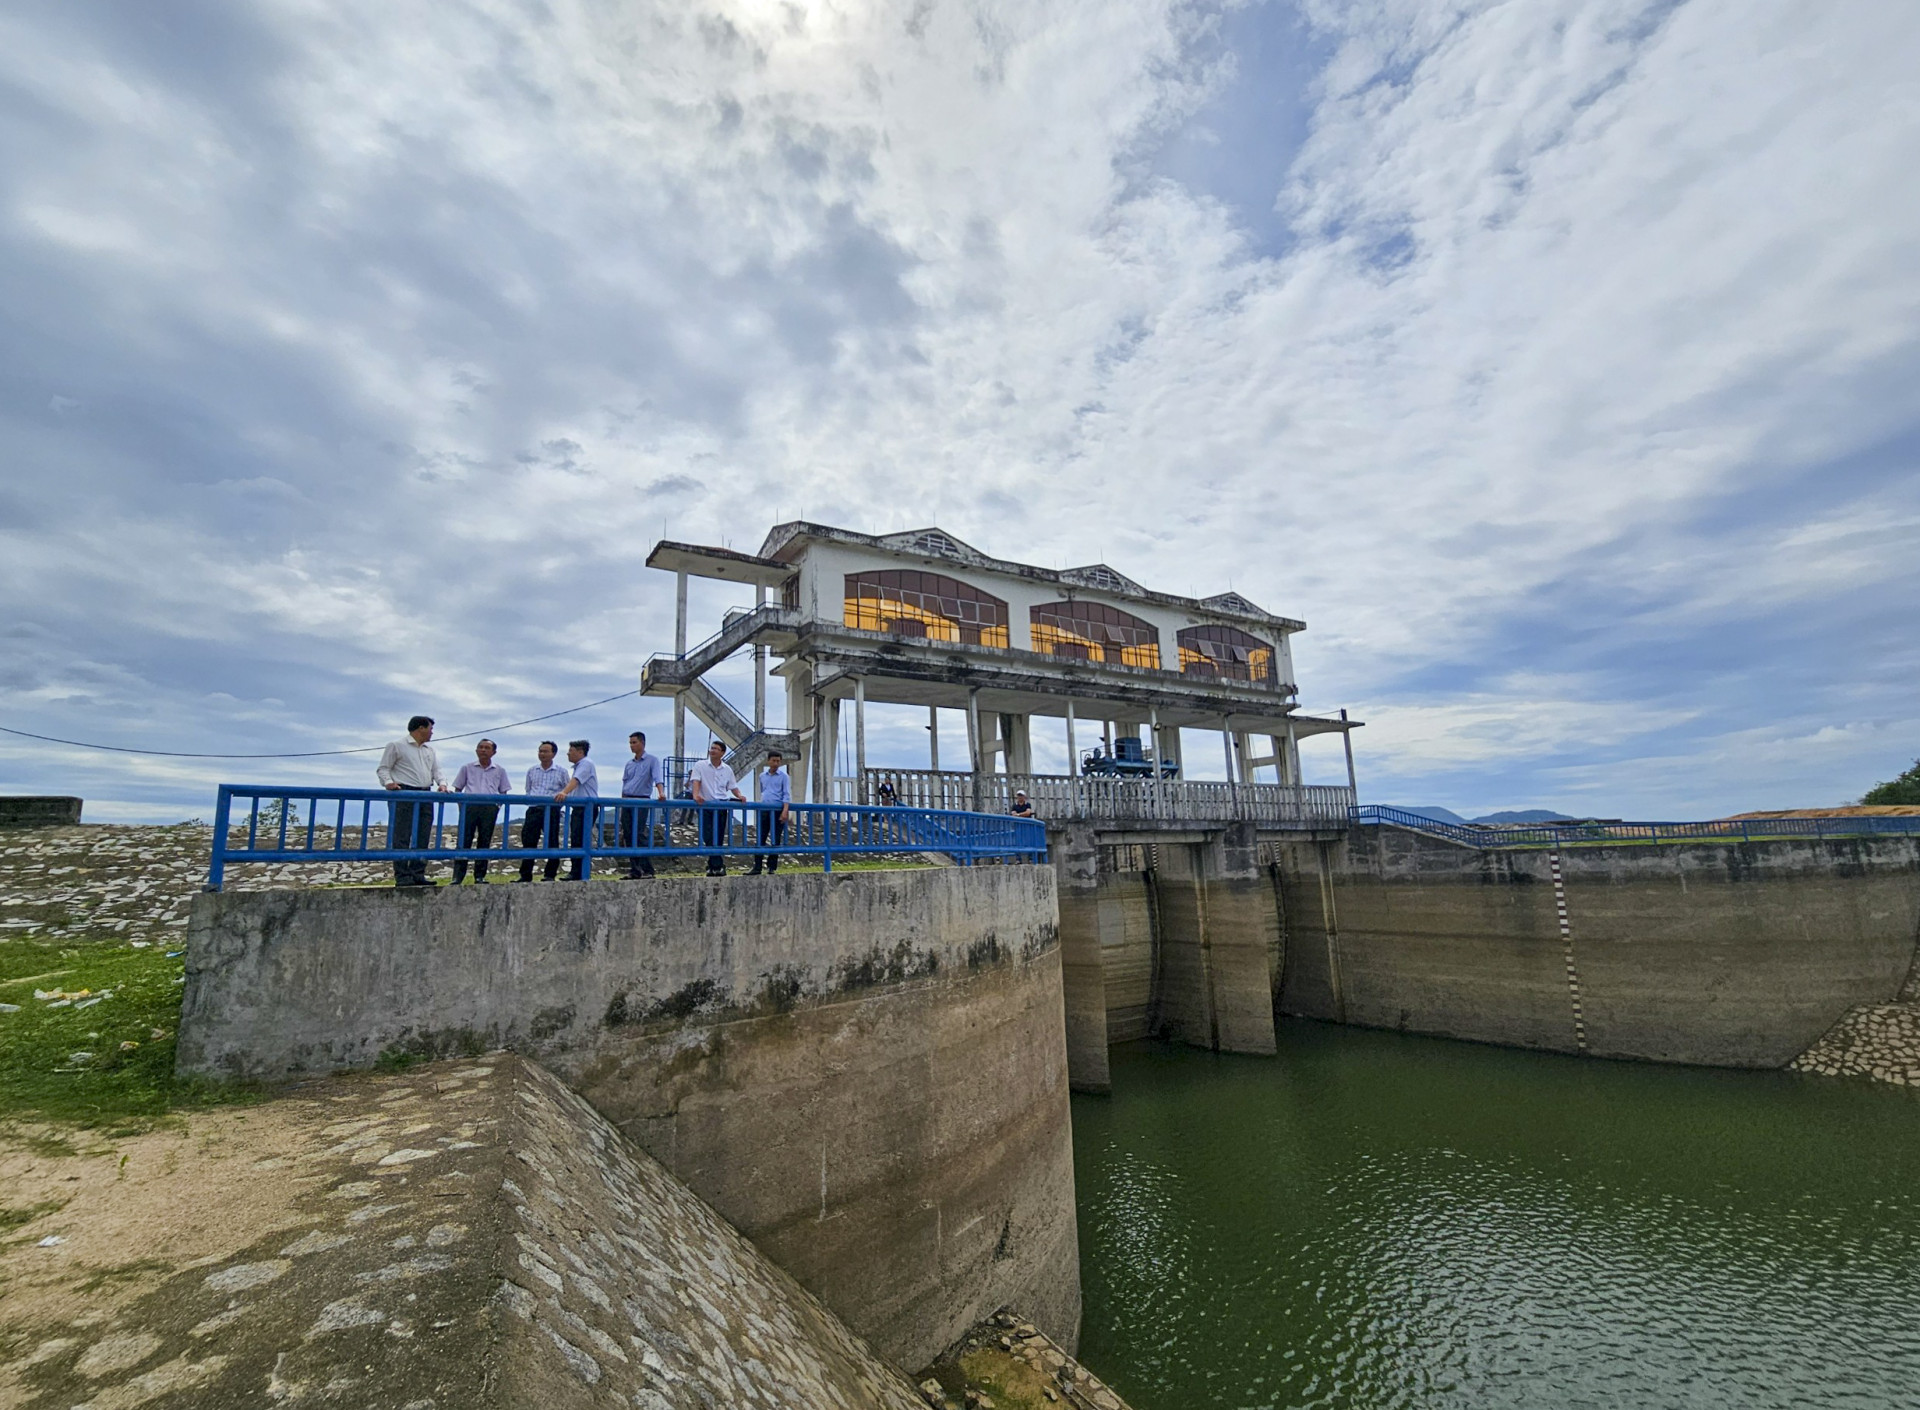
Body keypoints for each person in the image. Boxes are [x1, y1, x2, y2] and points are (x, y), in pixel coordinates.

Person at [376, 715, 447, 887]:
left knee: (423, 835)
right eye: (430, 729)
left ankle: (418, 873)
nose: (432, 733)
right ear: (420, 728)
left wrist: (442, 784)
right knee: (402, 835)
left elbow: (437, 770)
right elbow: (383, 768)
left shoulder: (429, 750)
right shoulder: (396, 746)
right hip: (405, 792)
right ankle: (402, 875)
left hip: (425, 793)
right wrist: (388, 783)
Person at [449, 738, 509, 884]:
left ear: (494, 752)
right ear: (476, 750)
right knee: (464, 841)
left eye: (487, 748)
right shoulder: (467, 768)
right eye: (480, 747)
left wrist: (497, 807)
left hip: (489, 808)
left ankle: (480, 876)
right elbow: (458, 788)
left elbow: (503, 791)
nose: (483, 750)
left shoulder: (500, 770)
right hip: (470, 806)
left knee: (484, 841)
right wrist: (461, 807)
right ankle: (457, 876)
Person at [689, 739, 745, 877]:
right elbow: (696, 781)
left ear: (722, 753)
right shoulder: (700, 765)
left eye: (716, 749)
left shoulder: (727, 769)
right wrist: (695, 795)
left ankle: (713, 866)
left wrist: (740, 795)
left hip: (721, 805)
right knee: (707, 836)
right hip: (705, 805)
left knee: (718, 837)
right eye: (711, 748)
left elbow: (732, 786)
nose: (712, 750)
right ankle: (717, 865)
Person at [517, 740, 568, 883]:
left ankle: (550, 874)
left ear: (554, 754)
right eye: (540, 751)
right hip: (534, 809)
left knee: (552, 841)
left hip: (551, 810)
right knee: (528, 841)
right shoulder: (532, 770)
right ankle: (525, 875)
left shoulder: (561, 771)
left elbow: (567, 790)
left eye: (546, 751)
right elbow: (528, 789)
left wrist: (558, 806)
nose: (542, 754)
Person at [620, 731, 667, 879]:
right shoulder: (629, 763)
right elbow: (625, 783)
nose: (631, 746)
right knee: (628, 835)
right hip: (627, 799)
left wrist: (661, 792)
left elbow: (657, 778)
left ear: (642, 743)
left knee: (638, 833)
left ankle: (647, 869)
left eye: (634, 742)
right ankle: (635, 869)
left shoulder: (652, 760)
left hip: (641, 799)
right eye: (630, 743)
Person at [551, 740, 599, 881]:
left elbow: (576, 781)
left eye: (571, 750)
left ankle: (578, 872)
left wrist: (564, 792)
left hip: (586, 807)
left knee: (580, 839)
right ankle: (577, 871)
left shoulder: (586, 763)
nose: (568, 753)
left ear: (580, 752)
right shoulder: (580, 765)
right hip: (580, 807)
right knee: (577, 839)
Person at [747, 750, 792, 875]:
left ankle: (772, 867)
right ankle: (757, 866)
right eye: (774, 760)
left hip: (777, 810)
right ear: (768, 761)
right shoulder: (762, 776)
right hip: (765, 809)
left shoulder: (784, 776)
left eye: (778, 761)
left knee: (775, 839)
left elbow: (786, 794)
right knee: (760, 838)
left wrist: (785, 811)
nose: (776, 763)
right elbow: (763, 791)